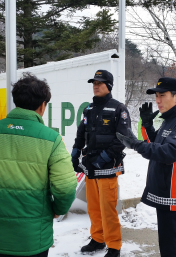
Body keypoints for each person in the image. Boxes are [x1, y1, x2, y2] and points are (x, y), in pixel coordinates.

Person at [0, 74, 77, 257]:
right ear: (42, 105)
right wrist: (58, 210)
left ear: (16, 101)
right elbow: (66, 186)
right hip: (32, 240)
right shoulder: (51, 138)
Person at [116, 77, 176, 257]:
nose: (158, 100)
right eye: (156, 96)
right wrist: (147, 125)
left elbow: (169, 152)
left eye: (162, 95)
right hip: (165, 187)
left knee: (171, 243)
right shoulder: (171, 118)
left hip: (174, 191)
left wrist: (136, 145)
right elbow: (158, 144)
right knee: (167, 241)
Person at [71, 70, 131, 257]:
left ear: (109, 86)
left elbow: (123, 139)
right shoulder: (89, 109)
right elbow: (81, 133)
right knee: (94, 208)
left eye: (100, 82)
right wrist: (75, 153)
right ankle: (97, 238)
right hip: (90, 167)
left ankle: (114, 246)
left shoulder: (119, 109)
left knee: (108, 209)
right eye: (94, 83)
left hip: (108, 167)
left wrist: (103, 159)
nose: (96, 85)